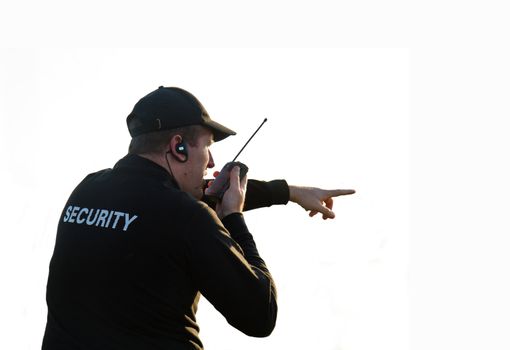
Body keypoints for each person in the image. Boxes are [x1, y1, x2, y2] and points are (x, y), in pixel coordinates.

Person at [42, 86, 355, 350]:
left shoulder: (87, 190)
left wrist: (288, 192)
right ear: (178, 146)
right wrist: (232, 218)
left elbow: (166, 202)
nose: (212, 161)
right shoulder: (187, 218)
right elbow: (260, 316)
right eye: (207, 146)